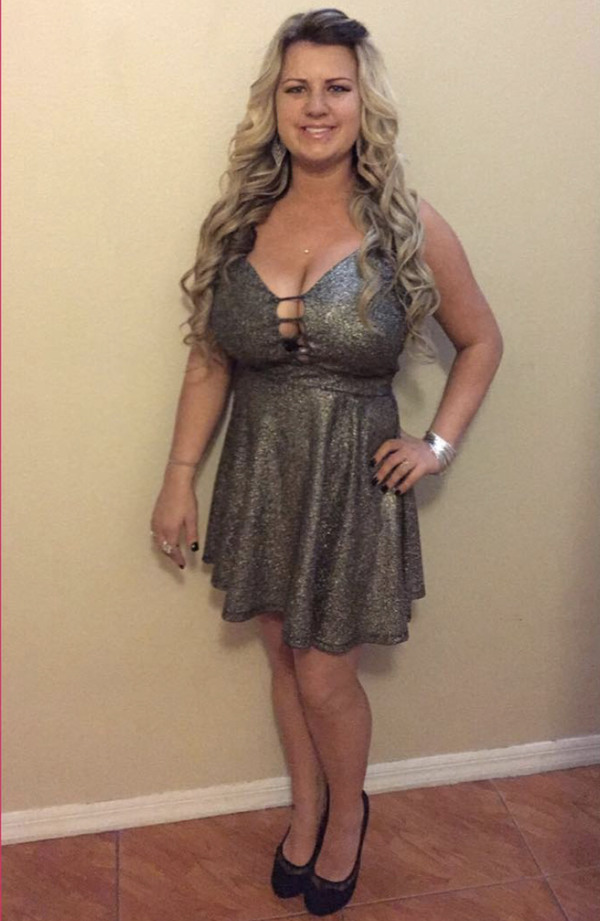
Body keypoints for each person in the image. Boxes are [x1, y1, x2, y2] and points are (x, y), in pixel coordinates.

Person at [150, 8, 503, 916]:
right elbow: (211, 359)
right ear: (273, 103)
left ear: (361, 101)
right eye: (297, 88)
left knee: (323, 671)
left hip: (352, 478)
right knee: (280, 652)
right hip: (261, 468)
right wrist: (179, 475)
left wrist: (435, 445)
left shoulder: (407, 223)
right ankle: (303, 808)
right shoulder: (239, 221)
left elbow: (481, 340)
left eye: (335, 88)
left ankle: (348, 813)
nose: (316, 106)